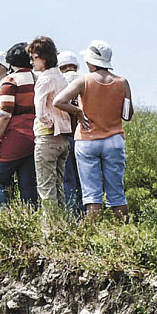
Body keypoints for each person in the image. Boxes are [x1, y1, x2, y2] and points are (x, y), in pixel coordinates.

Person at [55, 40, 133, 221]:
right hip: (114, 139)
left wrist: (78, 112)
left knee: (92, 195)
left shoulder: (83, 80)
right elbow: (127, 115)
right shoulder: (122, 82)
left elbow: (58, 101)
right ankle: (126, 234)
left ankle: (92, 237)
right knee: (117, 194)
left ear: (91, 62)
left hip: (87, 139)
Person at [0, 43, 38, 209]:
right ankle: (30, 217)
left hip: (14, 136)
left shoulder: (10, 81)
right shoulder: (37, 79)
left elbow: (4, 114)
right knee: (27, 183)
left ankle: (4, 218)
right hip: (34, 136)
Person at [28, 36, 73, 210]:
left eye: (34, 57)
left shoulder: (44, 79)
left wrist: (48, 124)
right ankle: (61, 225)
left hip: (47, 137)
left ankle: (50, 230)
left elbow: (40, 112)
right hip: (62, 137)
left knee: (46, 188)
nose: (32, 62)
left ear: (43, 57)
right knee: (58, 186)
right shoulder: (60, 77)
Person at [57, 50, 83, 215]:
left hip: (64, 135)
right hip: (83, 136)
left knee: (68, 179)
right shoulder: (83, 80)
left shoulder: (60, 82)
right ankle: (85, 213)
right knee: (83, 180)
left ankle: (72, 215)